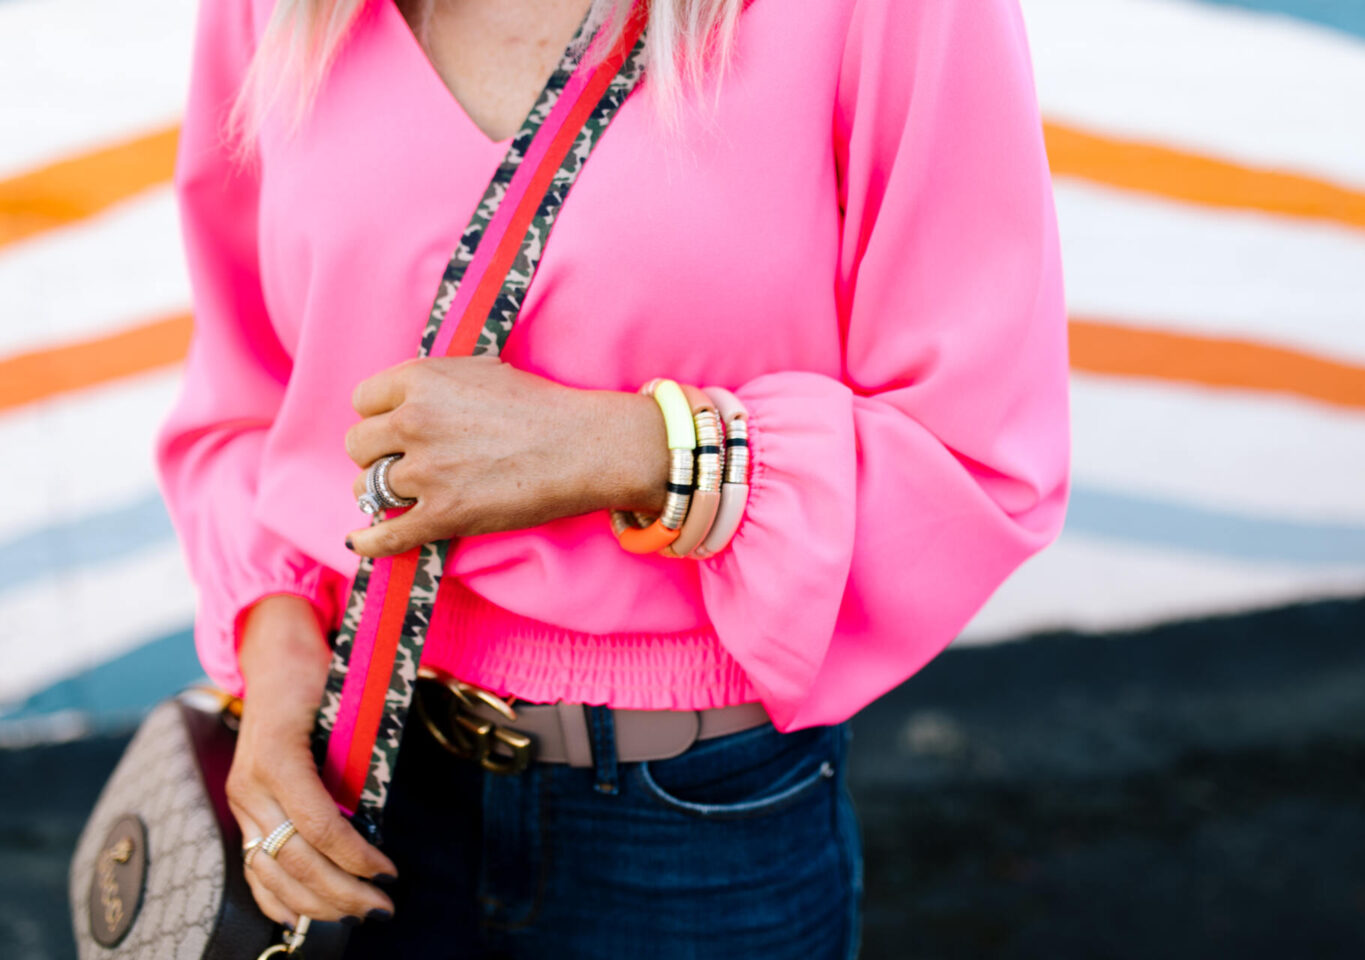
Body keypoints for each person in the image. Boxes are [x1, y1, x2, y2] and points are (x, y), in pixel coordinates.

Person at [153, 0, 1071, 955]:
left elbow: (980, 454)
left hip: (688, 832)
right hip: (355, 781)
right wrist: (279, 660)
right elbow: (243, 397)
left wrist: (629, 450)